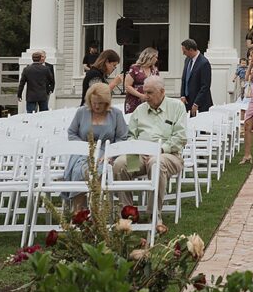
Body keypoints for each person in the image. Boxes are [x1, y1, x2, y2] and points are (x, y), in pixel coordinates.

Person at [112, 75, 186, 234]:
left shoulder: (177, 107)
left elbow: (180, 137)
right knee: (119, 164)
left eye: (150, 93)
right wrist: (136, 148)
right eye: (144, 92)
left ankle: (154, 215)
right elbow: (131, 135)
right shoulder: (140, 110)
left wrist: (160, 149)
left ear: (162, 91)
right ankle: (127, 214)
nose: (146, 96)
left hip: (168, 154)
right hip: (139, 155)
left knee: (156, 164)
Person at [63, 82, 128, 211]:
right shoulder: (82, 112)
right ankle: (79, 212)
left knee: (99, 172)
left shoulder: (116, 114)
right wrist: (84, 147)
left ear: (106, 102)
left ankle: (97, 212)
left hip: (107, 153)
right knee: (79, 171)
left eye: (100, 103)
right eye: (94, 103)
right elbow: (71, 133)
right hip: (83, 152)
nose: (97, 106)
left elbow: (122, 137)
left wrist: (110, 154)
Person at [179, 38, 212, 117]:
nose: (183, 53)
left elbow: (205, 86)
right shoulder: (187, 60)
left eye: (184, 51)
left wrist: (196, 103)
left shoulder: (204, 63)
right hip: (187, 102)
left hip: (200, 105)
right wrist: (182, 95)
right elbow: (184, 79)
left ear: (191, 50)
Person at [124, 47, 159, 114]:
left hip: (150, 101)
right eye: (156, 57)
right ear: (149, 57)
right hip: (134, 100)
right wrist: (141, 96)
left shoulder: (155, 70)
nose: (157, 60)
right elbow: (127, 86)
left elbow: (158, 85)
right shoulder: (134, 68)